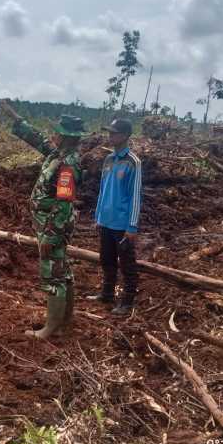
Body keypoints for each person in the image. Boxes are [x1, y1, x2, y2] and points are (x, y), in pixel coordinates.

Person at [0, 100, 86, 339]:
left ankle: (51, 327)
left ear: (67, 137)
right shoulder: (59, 154)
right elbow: (40, 141)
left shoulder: (68, 165)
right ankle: (65, 319)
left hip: (54, 225)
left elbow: (63, 203)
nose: (53, 135)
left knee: (52, 272)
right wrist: (17, 119)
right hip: (49, 223)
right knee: (62, 269)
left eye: (57, 133)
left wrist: (50, 233)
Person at [94, 118, 142, 316]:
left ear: (124, 136)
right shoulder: (108, 160)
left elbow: (135, 196)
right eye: (109, 132)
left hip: (122, 224)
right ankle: (107, 293)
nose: (109, 136)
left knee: (127, 264)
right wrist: (98, 217)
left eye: (113, 133)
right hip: (106, 221)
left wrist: (132, 227)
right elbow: (102, 191)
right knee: (107, 260)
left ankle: (127, 301)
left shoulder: (133, 162)